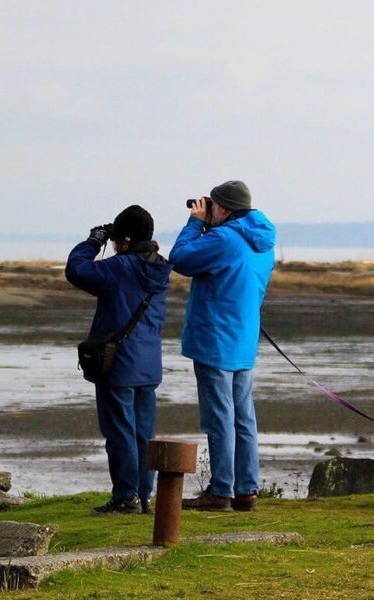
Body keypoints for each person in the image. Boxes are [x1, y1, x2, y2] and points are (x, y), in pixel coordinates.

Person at [170, 180, 276, 512]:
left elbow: (181, 259)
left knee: (220, 416)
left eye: (211, 205)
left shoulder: (224, 237)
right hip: (243, 338)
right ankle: (247, 489)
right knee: (243, 417)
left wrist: (195, 223)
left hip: (215, 336)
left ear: (224, 209)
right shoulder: (263, 241)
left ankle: (221, 490)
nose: (206, 210)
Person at [65, 205, 172, 515]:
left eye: (116, 240)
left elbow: (77, 270)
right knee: (142, 433)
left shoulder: (121, 268)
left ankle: (125, 496)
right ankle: (143, 495)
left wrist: (93, 241)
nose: (113, 245)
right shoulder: (160, 268)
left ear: (124, 239)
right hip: (148, 363)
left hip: (119, 363)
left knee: (120, 432)